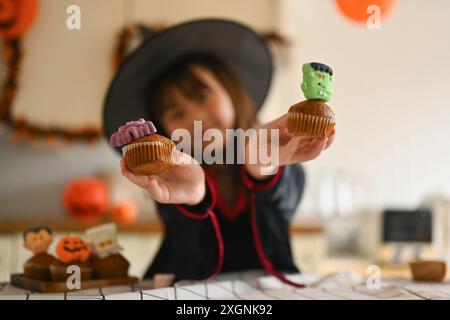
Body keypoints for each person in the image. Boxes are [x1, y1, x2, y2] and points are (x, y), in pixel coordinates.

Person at [104, 19, 335, 285]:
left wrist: (261, 167)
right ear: (164, 129)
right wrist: (195, 197)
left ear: (232, 92)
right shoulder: (170, 175)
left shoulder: (277, 154)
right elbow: (183, 236)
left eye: (203, 97)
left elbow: (284, 196)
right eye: (177, 113)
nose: (195, 118)